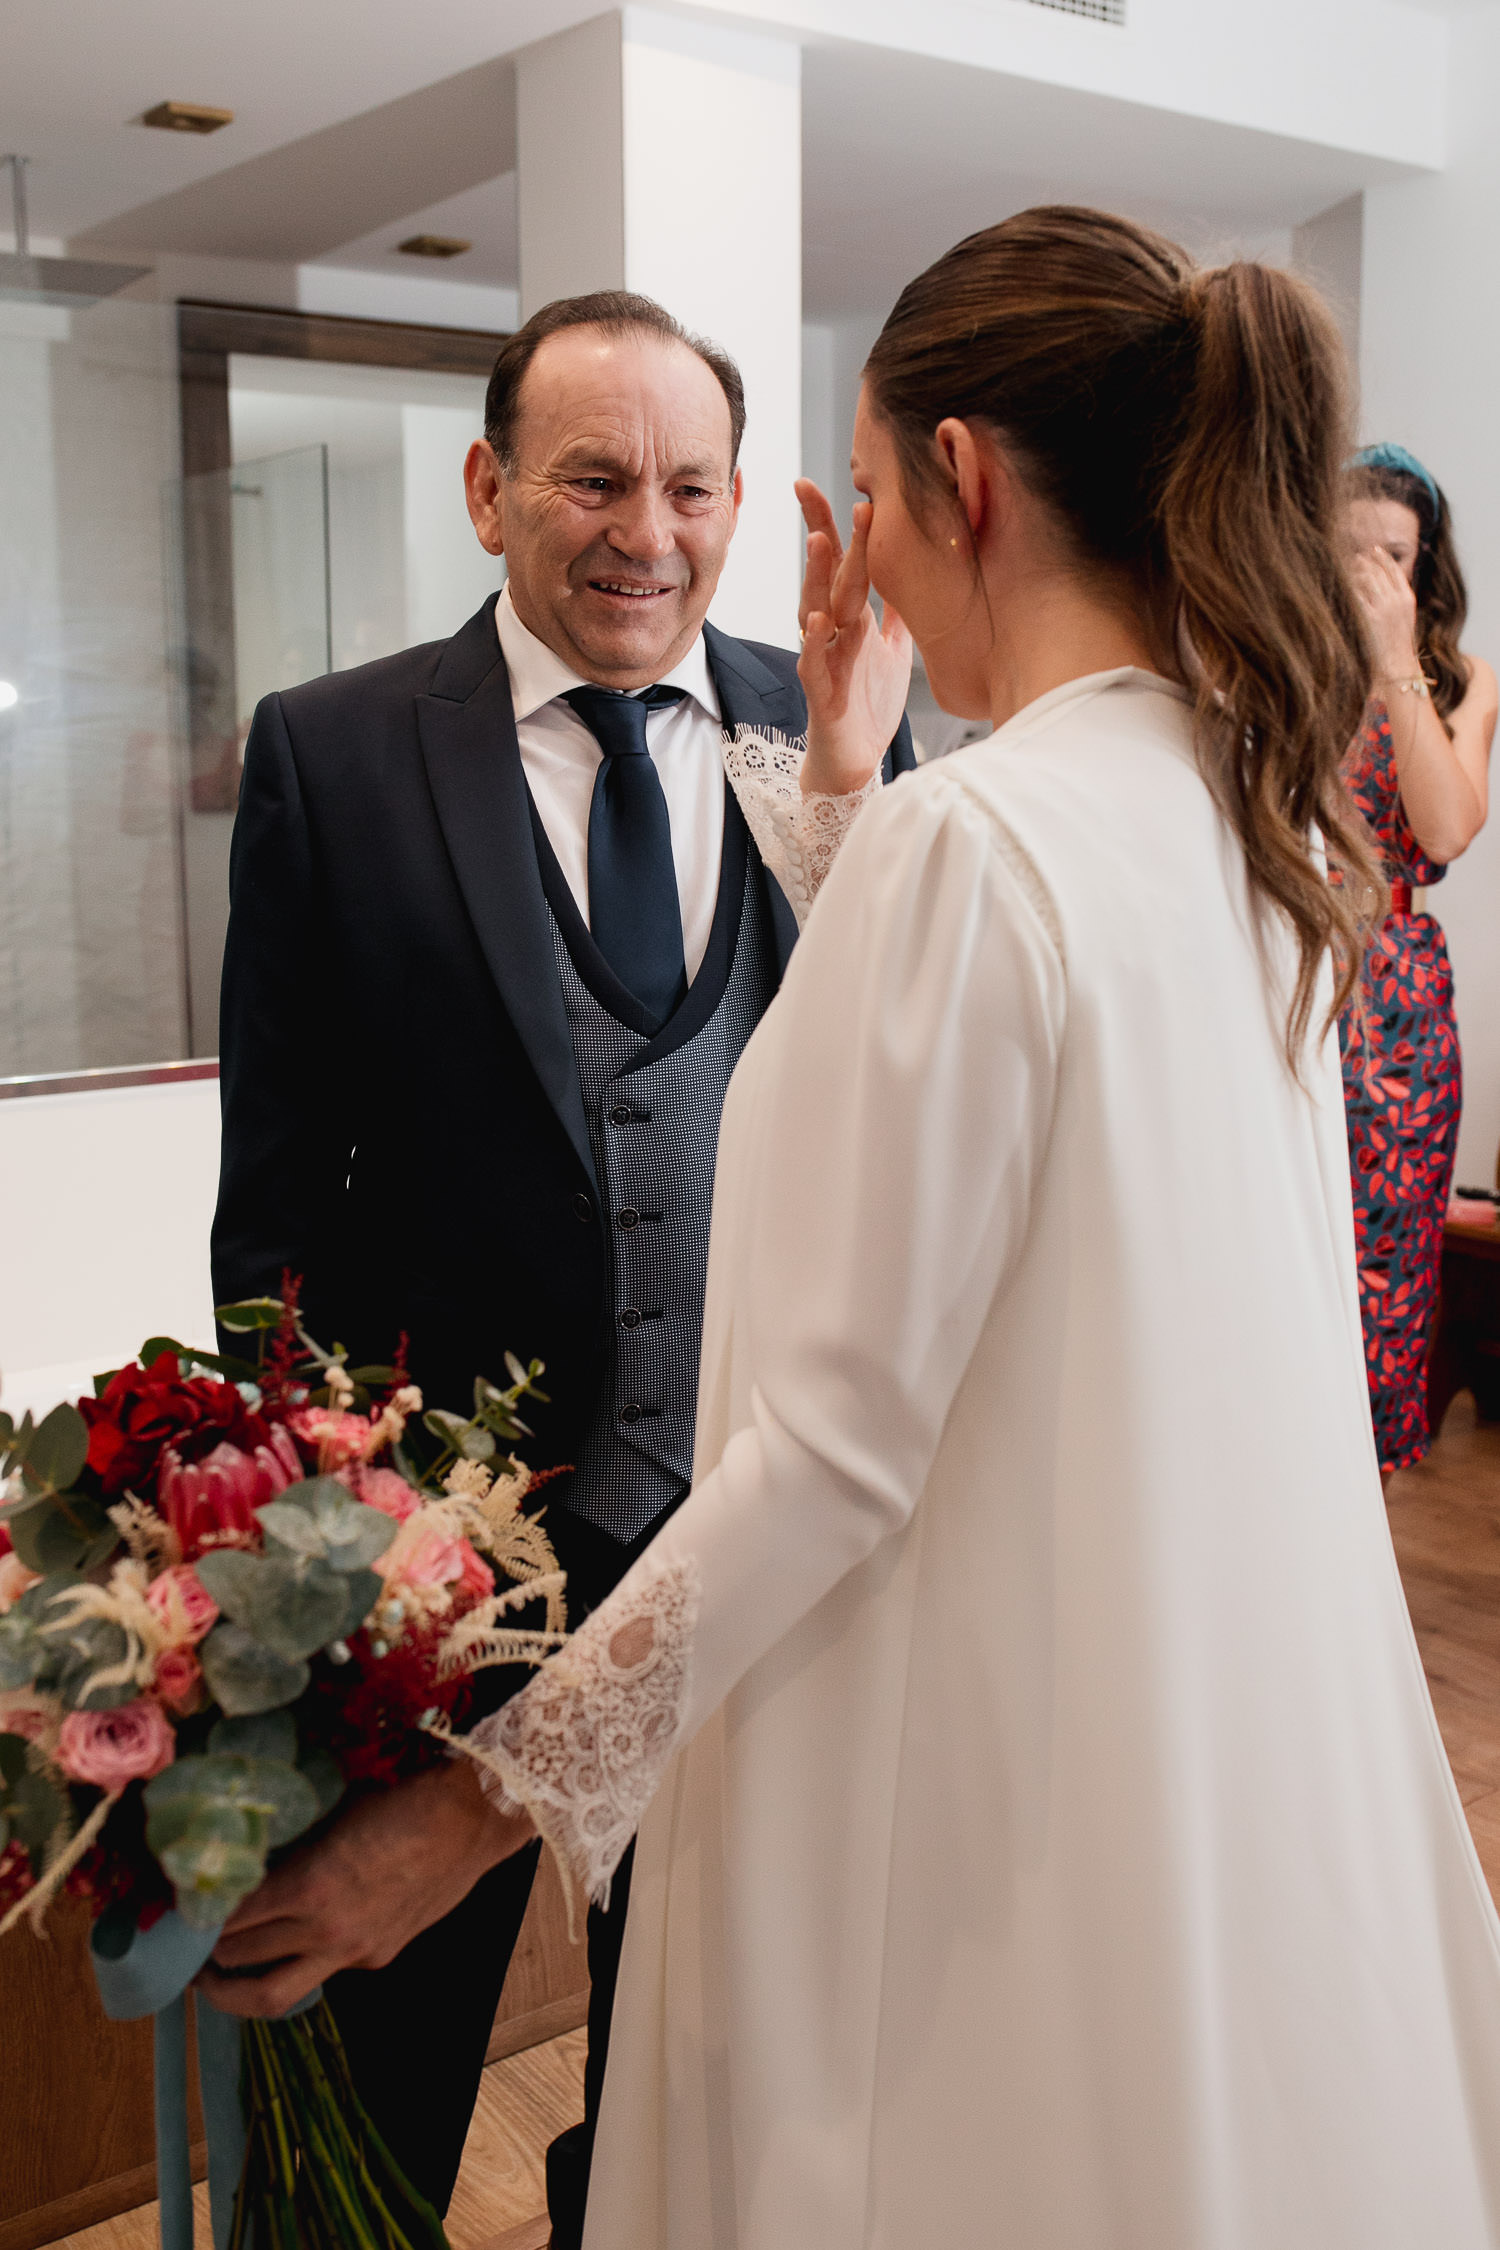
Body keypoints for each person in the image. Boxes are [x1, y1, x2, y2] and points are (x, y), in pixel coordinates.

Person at [478, 211, 1500, 2249]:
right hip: (1168, 1732)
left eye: (860, 491)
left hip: (943, 1757)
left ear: (962, 480)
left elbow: (844, 1442)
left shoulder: (992, 840)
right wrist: (861, 774)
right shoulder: (1256, 819)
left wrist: (497, 1796)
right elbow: (1018, 1128)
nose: (849, 547)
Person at [203, 289, 913, 2238]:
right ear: (487, 484)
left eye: (693, 485)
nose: (649, 531)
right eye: (595, 476)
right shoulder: (335, 758)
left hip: (748, 1571)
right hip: (445, 1575)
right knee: (371, 2097)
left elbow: (898, 1116)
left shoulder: (832, 721)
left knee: (702, 2097)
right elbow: (272, 1217)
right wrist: (305, 1568)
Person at [1339, 443, 1496, 1474]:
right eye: (1349, 552)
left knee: (1387, 1265)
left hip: (1395, 997)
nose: (1369, 576)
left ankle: (1368, 1486)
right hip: (1288, 966)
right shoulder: (1276, 657)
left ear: (1424, 562)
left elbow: (1442, 831)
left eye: (1391, 555)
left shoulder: (1464, 681)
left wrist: (1397, 664)